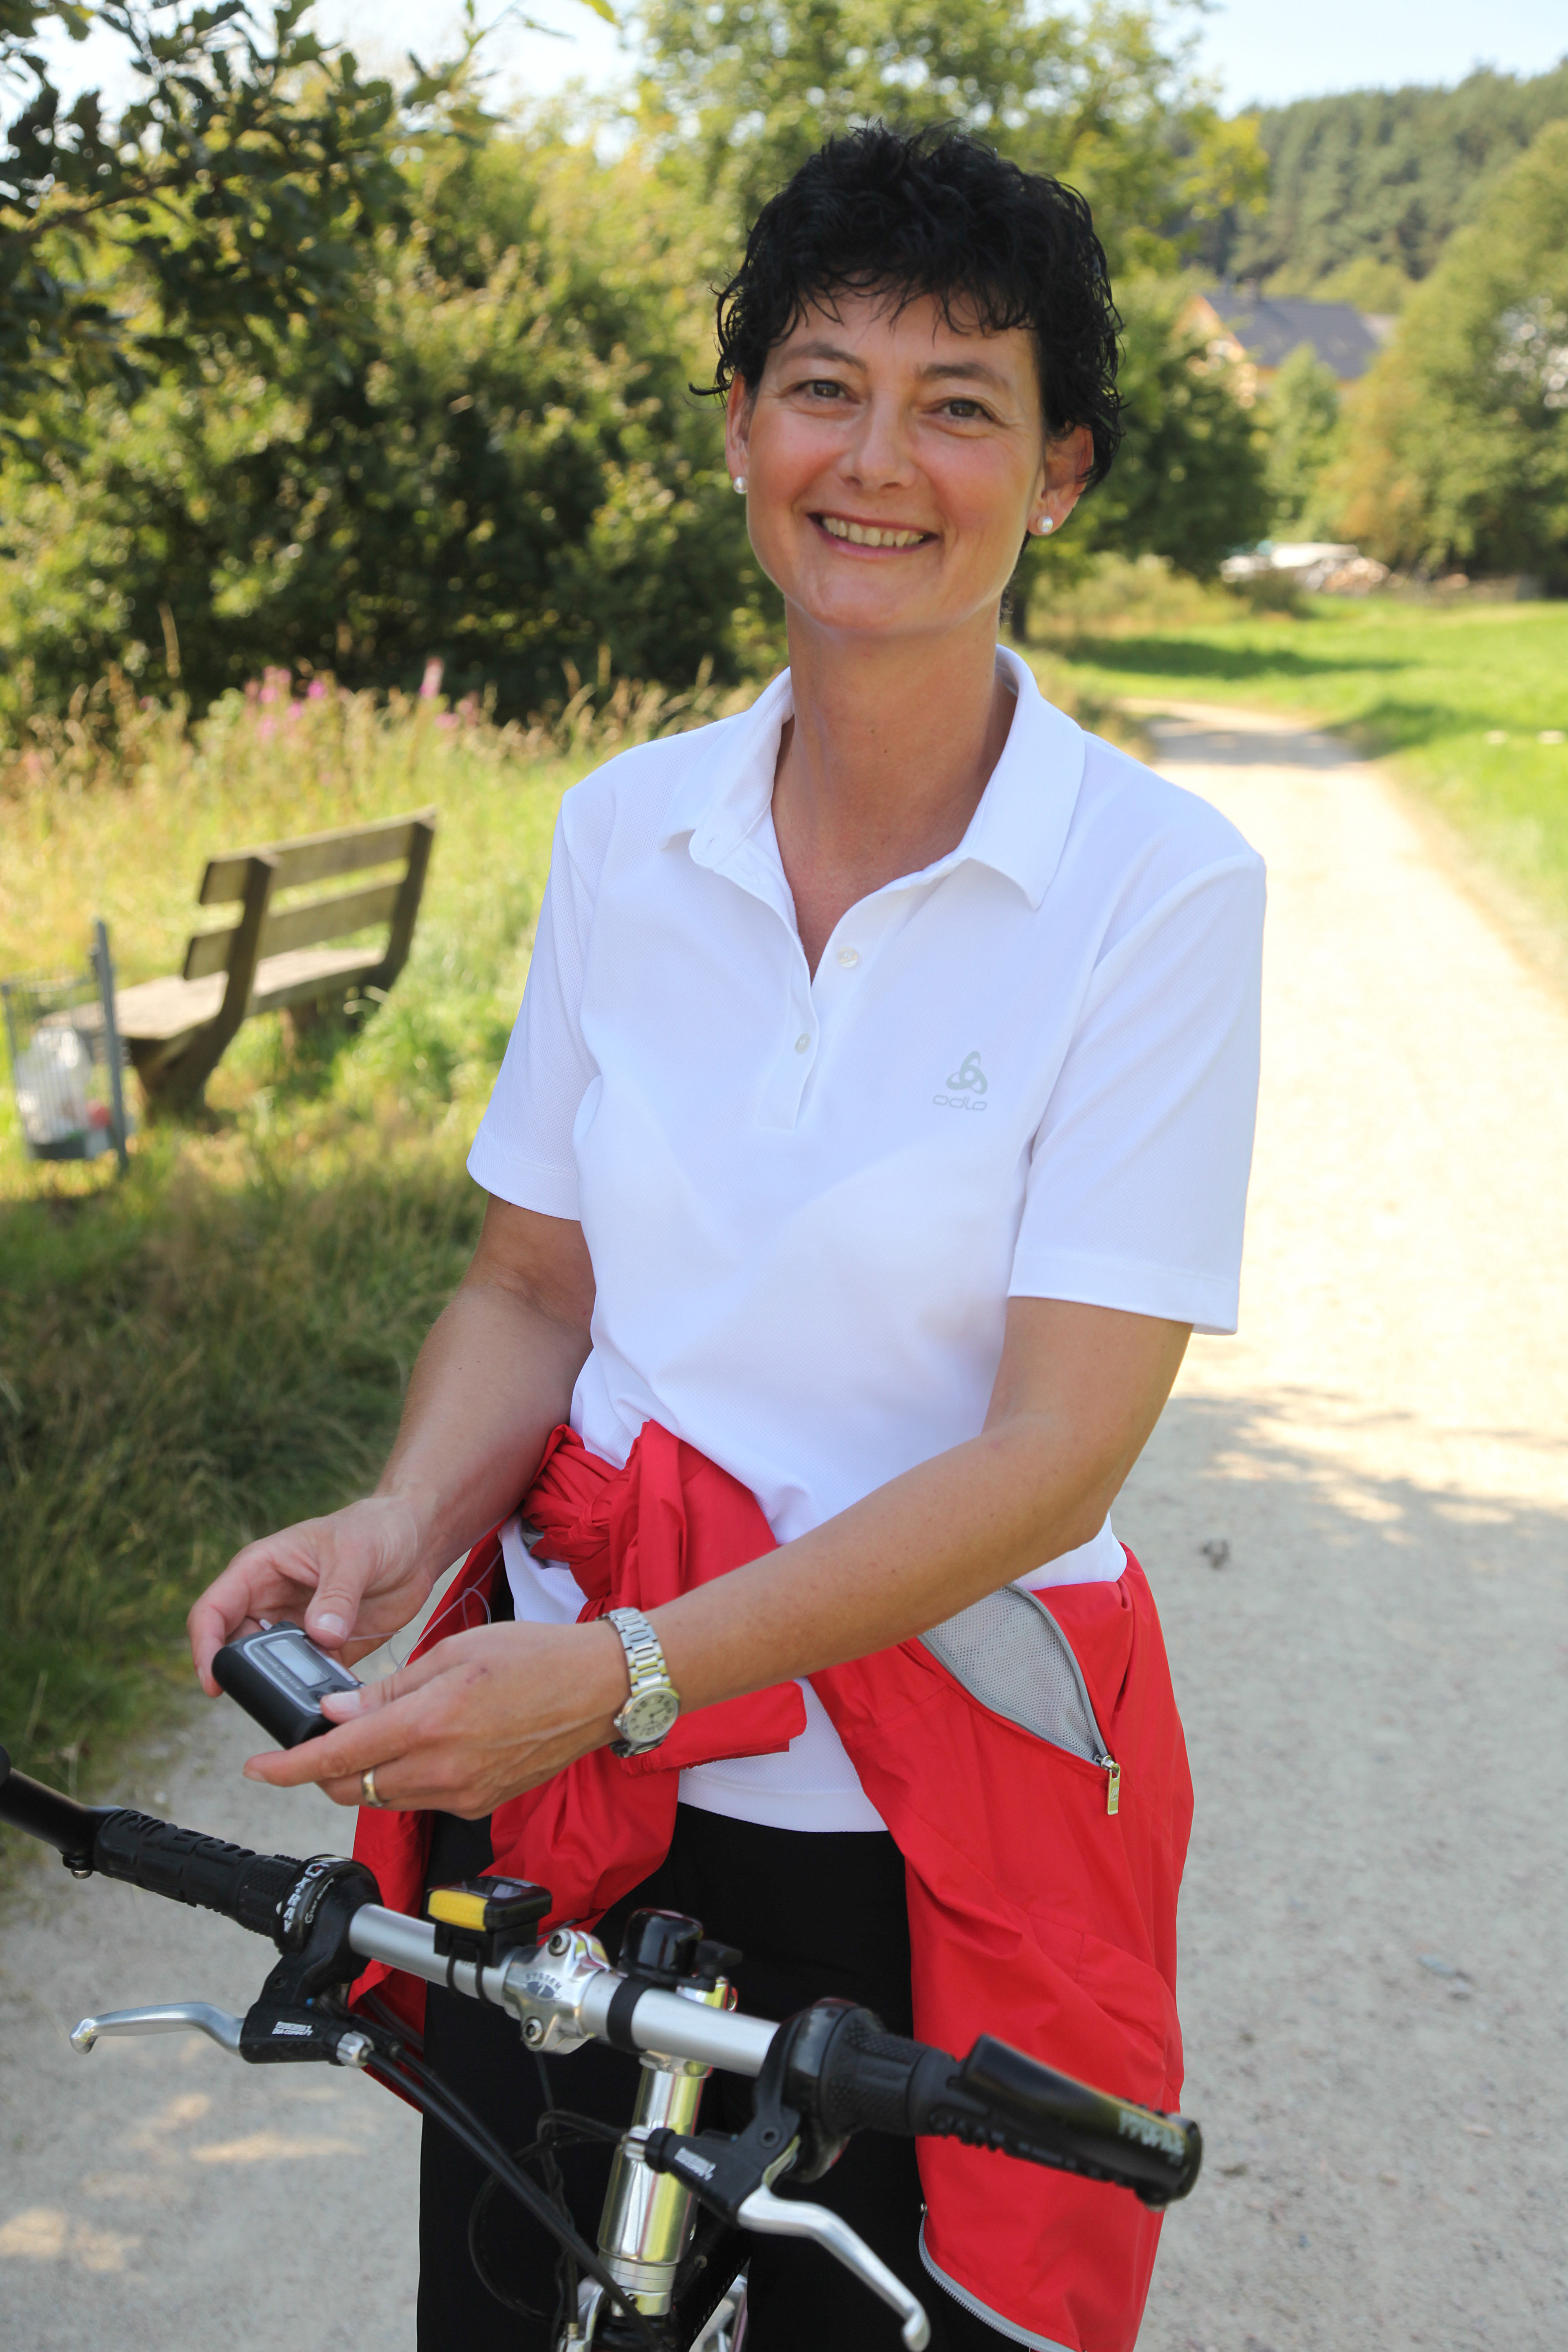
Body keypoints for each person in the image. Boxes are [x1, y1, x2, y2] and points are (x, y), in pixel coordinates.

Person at [188, 125, 1264, 2352]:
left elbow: (1056, 1455)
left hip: (912, 1817)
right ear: (744, 427)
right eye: (821, 386)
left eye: (958, 403)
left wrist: (631, 1670)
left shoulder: (1159, 890)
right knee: (513, 2305)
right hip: (568, 1775)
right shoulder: (625, 830)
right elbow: (533, 1284)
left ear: (1059, 474)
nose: (875, 460)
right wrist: (404, 1525)